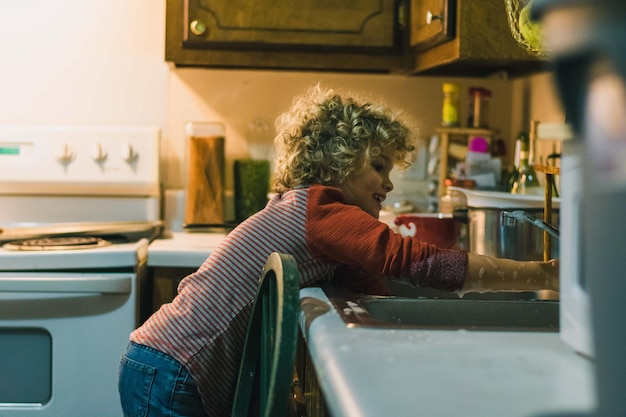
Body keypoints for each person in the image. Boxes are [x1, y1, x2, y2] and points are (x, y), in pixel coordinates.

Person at [118, 84, 559, 417]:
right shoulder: (321, 210)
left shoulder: (312, 216)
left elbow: (373, 291)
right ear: (339, 159)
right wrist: (542, 275)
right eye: (378, 167)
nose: (388, 184)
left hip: (162, 364)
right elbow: (417, 263)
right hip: (171, 368)